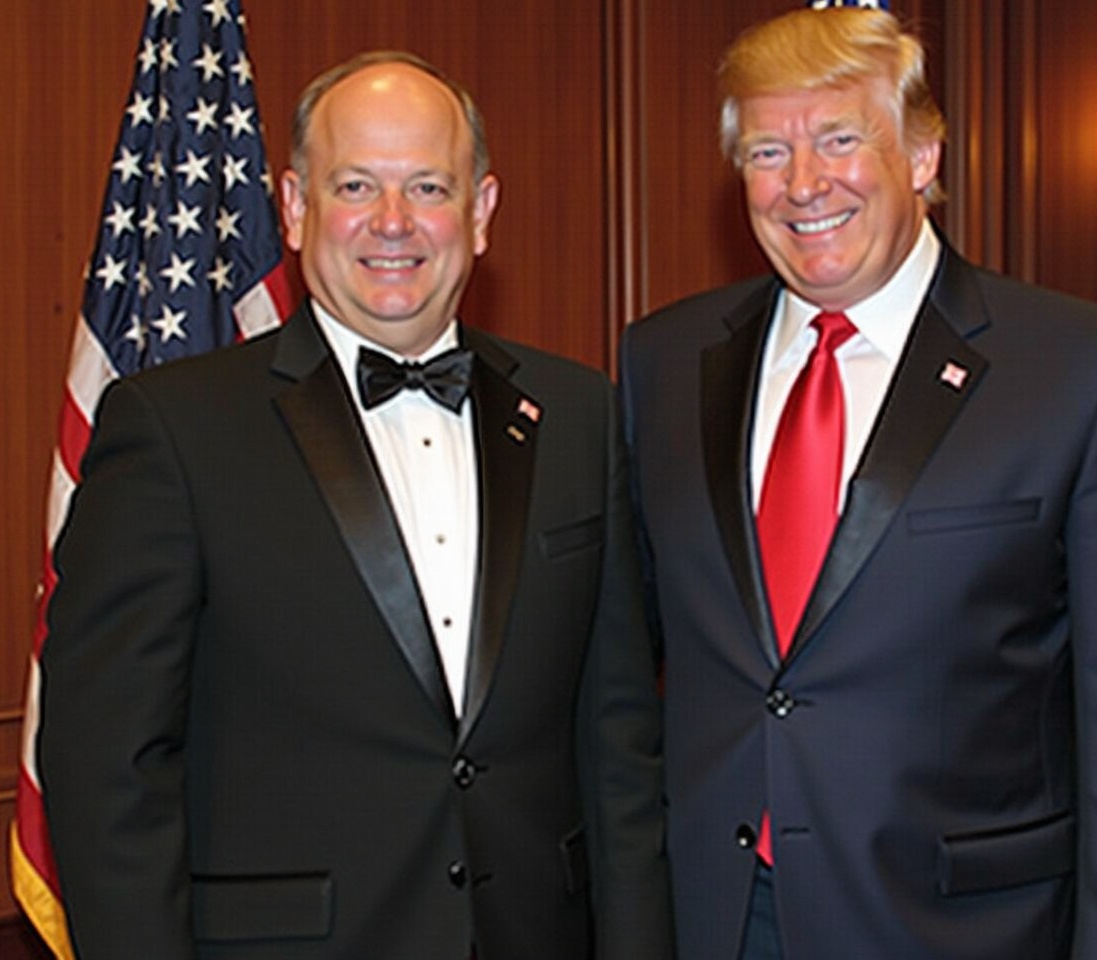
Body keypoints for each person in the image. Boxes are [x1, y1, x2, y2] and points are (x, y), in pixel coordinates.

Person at [40, 51, 672, 960]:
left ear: (480, 211)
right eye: (354, 186)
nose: (392, 223)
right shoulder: (172, 430)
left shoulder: (578, 414)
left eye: (426, 186)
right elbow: (107, 769)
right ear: (294, 208)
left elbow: (620, 746)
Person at [619, 8, 1097, 960]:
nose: (804, 184)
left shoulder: (1086, 371)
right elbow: (625, 679)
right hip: (717, 916)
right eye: (768, 152)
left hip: (960, 925)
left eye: (840, 139)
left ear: (923, 156)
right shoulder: (664, 362)